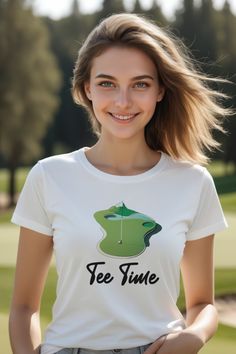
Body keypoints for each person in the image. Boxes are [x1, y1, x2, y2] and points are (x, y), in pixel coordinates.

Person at [9, 13, 230, 354]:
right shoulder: (49, 177)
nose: (123, 101)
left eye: (140, 84)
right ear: (86, 89)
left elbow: (203, 304)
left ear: (160, 91)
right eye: (107, 83)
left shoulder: (193, 182)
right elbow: (24, 308)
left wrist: (193, 337)